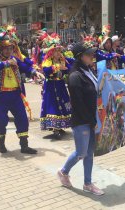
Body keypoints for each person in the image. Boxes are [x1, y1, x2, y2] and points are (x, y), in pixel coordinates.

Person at [0, 21, 45, 154]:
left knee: (23, 120)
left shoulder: (14, 59)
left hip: (15, 95)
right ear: (0, 49)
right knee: (1, 121)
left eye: (11, 48)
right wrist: (7, 63)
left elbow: (25, 67)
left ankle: (24, 145)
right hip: (0, 96)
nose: (9, 51)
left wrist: (35, 72)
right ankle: (1, 143)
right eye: (6, 49)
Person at [57, 42, 104, 196]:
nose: (92, 56)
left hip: (91, 119)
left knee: (90, 153)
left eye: (92, 53)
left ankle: (88, 183)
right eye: (89, 54)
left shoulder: (88, 72)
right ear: (80, 57)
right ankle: (63, 172)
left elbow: (95, 93)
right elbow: (78, 103)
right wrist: (90, 120)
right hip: (82, 121)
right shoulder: (75, 76)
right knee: (81, 152)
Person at [40, 32, 73, 139]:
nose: (59, 53)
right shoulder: (47, 60)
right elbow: (46, 70)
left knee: (63, 104)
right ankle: (54, 128)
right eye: (56, 51)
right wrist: (58, 67)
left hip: (60, 84)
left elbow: (70, 66)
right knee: (52, 105)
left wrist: (70, 69)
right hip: (51, 86)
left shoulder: (62, 59)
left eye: (59, 50)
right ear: (51, 52)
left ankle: (60, 126)